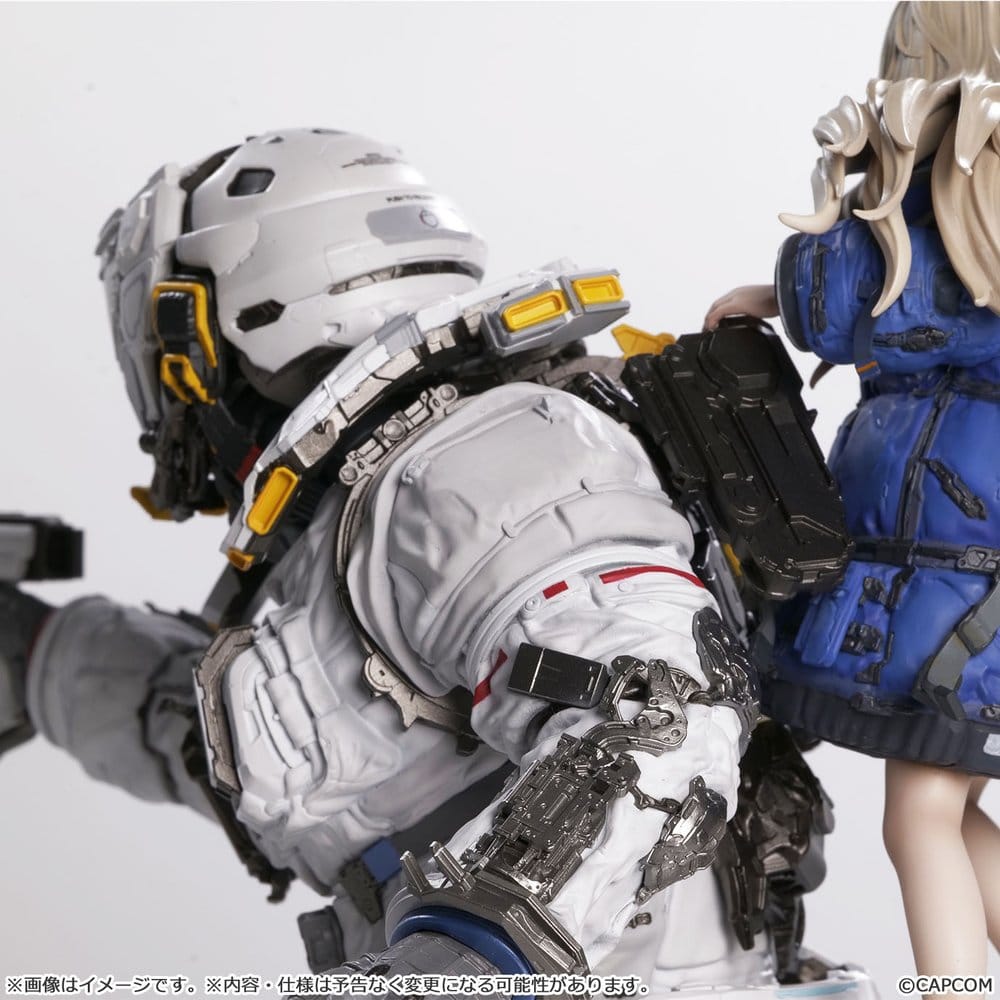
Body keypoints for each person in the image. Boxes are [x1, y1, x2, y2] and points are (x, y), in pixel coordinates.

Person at [1, 127, 869, 998]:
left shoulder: (472, 464)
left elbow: (660, 715)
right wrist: (34, 650)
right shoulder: (380, 499)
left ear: (226, 318)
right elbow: (336, 765)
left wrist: (472, 953)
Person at [705, 3, 1000, 992]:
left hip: (962, 582)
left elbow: (862, 303)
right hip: (955, 569)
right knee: (948, 809)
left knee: (921, 815)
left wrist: (840, 201)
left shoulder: (976, 192)